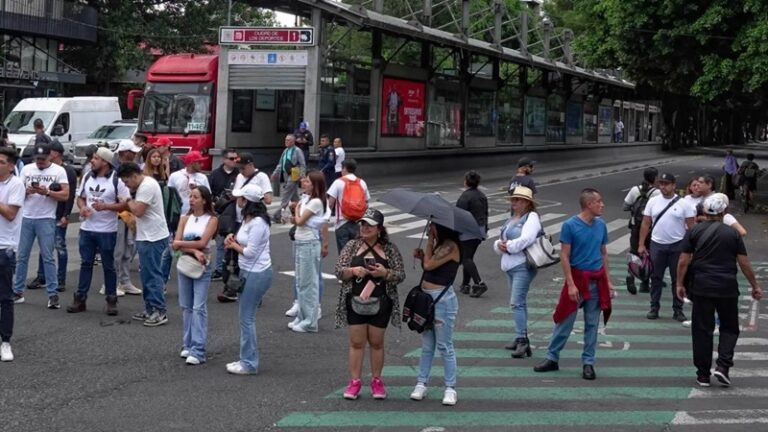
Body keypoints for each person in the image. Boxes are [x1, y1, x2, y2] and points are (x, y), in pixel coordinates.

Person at [676, 194, 763, 387]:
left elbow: (683, 260)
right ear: (724, 212)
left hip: (701, 287)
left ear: (705, 212)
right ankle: (723, 366)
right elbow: (744, 263)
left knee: (701, 330)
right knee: (730, 328)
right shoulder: (732, 234)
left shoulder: (694, 231)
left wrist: (679, 284)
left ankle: (703, 375)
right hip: (727, 288)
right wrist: (754, 285)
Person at [534, 189, 615, 380]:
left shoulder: (601, 225)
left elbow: (603, 253)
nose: (602, 205)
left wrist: (608, 281)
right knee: (564, 321)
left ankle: (588, 363)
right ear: (589, 204)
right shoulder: (570, 225)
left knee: (592, 325)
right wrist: (570, 284)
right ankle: (552, 358)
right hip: (578, 279)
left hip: (596, 280)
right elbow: (564, 254)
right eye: (599, 201)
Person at [335, 208, 405, 400]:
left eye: (370, 225)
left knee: (376, 343)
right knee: (356, 343)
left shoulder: (390, 249)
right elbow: (338, 271)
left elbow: (400, 275)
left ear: (379, 229)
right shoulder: (351, 246)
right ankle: (355, 382)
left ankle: (376, 381)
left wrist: (384, 273)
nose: (365, 228)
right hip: (355, 300)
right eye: (363, 224)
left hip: (381, 301)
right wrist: (353, 270)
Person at [67, 148, 129, 315]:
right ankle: (80, 298)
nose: (91, 161)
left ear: (105, 162)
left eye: (95, 158)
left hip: (107, 230)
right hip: (87, 228)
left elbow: (125, 204)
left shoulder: (117, 180)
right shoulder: (87, 176)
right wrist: (82, 207)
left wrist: (107, 206)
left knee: (108, 266)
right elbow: (80, 197)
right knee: (86, 263)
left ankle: (111, 300)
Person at [13, 142, 70, 308]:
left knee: (48, 257)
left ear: (50, 156)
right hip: (26, 216)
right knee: (22, 256)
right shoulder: (27, 169)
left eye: (43, 159)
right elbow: (17, 192)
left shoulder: (59, 171)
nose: (39, 162)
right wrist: (27, 191)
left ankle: (52, 295)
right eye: (37, 159)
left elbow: (65, 195)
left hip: (46, 218)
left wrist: (47, 192)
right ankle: (17, 291)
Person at [410, 223, 462, 406]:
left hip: (443, 302)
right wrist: (425, 253)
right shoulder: (442, 244)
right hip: (427, 299)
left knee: (444, 345)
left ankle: (450, 388)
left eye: (433, 226)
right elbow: (431, 264)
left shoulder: (451, 246)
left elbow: (429, 265)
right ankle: (421, 383)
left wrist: (429, 243)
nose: (430, 228)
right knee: (426, 345)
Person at [223, 184, 272, 374]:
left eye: (240, 198)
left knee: (246, 318)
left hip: (256, 272)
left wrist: (233, 246)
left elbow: (250, 252)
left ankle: (249, 363)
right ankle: (246, 359)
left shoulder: (258, 222)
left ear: (247, 201)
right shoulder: (248, 218)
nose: (237, 201)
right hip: (249, 271)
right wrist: (232, 239)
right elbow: (243, 241)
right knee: (245, 317)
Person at [116, 162, 171, 327]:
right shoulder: (143, 185)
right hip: (146, 235)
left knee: (152, 274)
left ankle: (159, 310)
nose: (126, 185)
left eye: (127, 182)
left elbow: (138, 210)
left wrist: (127, 200)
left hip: (153, 236)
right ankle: (150, 308)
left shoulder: (147, 186)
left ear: (134, 176)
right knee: (146, 274)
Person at [638, 173, 695, 322]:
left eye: (666, 184)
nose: (663, 186)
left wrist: (692, 249)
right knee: (655, 277)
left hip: (678, 245)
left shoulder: (684, 204)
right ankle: (654, 308)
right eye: (661, 183)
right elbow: (645, 223)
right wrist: (641, 244)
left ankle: (678, 310)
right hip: (657, 245)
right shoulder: (653, 201)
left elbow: (691, 227)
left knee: (678, 279)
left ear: (674, 185)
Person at [217, 153, 273, 302]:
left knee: (249, 252)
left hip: (253, 218)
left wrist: (254, 196)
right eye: (239, 168)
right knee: (232, 257)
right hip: (239, 218)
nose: (240, 171)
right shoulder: (240, 177)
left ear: (250, 164)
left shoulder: (262, 177)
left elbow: (268, 199)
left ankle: (252, 291)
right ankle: (233, 288)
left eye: (242, 168)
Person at [493, 186, 541, 358]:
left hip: (523, 264)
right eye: (513, 200)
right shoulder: (512, 218)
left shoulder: (532, 217)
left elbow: (527, 238)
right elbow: (501, 238)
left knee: (516, 303)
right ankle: (521, 337)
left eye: (517, 200)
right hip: (510, 265)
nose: (513, 203)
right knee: (519, 303)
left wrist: (509, 246)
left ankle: (522, 341)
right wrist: (499, 245)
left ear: (527, 203)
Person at [173, 186, 218, 365]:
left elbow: (203, 242)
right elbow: (176, 245)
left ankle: (198, 349)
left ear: (204, 200)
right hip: (186, 262)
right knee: (186, 306)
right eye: (190, 196)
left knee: (199, 306)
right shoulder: (185, 218)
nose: (191, 200)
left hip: (202, 264)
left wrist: (183, 244)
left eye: (196, 197)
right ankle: (188, 343)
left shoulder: (212, 219)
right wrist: (192, 249)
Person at [26, 140, 76, 293]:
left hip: (59, 213)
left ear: (56, 154)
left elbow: (70, 194)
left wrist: (66, 215)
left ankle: (60, 278)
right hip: (44, 213)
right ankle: (42, 276)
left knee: (60, 246)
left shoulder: (66, 171)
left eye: (50, 152)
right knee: (44, 247)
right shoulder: (43, 169)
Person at [287, 171, 328, 333]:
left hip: (309, 243)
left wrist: (296, 209)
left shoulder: (316, 201)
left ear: (316, 185)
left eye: (308, 182)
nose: (304, 183)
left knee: (308, 284)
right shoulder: (307, 199)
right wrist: (296, 211)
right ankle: (302, 316)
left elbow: (300, 221)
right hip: (301, 241)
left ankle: (310, 321)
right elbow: (296, 221)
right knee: (300, 282)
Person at [164, 151, 211, 284]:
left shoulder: (202, 177)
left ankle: (193, 271)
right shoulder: (175, 176)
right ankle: (163, 280)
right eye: (198, 162)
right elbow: (170, 195)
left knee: (194, 244)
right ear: (191, 162)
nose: (201, 164)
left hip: (196, 217)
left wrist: (197, 189)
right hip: (179, 216)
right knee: (169, 249)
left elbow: (208, 195)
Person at [0, 147, 25, 361]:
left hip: (5, 248)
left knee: (5, 297)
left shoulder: (16, 184)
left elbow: (9, 214)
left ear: (10, 165)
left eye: (0, 162)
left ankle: (5, 341)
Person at [622, 167, 660, 294]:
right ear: (655, 178)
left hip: (635, 226)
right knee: (647, 253)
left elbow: (625, 206)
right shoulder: (657, 193)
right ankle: (644, 282)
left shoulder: (635, 190)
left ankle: (630, 275)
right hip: (650, 228)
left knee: (634, 251)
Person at [208, 149, 240, 281]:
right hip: (220, 211)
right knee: (221, 241)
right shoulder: (215, 174)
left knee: (235, 240)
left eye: (236, 159)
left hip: (235, 211)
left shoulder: (239, 175)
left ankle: (231, 267)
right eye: (231, 159)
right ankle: (220, 268)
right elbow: (209, 193)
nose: (234, 162)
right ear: (224, 160)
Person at [456, 171, 489, 297]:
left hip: (467, 231)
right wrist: (485, 229)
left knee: (466, 258)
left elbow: (459, 216)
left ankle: (479, 283)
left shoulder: (464, 197)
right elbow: (485, 213)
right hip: (479, 230)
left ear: (466, 182)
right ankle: (465, 284)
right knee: (469, 257)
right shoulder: (481, 195)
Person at [327, 159, 370, 253]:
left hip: (341, 223)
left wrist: (326, 216)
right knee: (356, 253)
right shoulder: (362, 182)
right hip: (357, 223)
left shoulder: (338, 182)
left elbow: (330, 203)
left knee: (344, 255)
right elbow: (366, 203)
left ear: (345, 168)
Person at [271, 134, 306, 223]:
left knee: (286, 195)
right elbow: (280, 164)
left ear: (294, 141)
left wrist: (302, 175)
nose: (286, 141)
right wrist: (275, 173)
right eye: (286, 140)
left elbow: (302, 164)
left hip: (294, 175)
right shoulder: (285, 151)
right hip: (286, 175)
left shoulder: (297, 151)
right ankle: (302, 212)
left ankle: (277, 215)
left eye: (289, 140)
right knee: (295, 198)